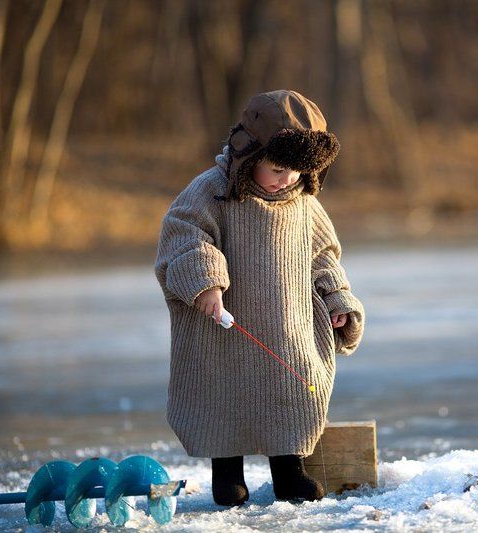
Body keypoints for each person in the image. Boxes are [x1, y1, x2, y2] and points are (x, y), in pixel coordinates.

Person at [154, 89, 365, 505]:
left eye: (297, 172)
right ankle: (227, 473)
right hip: (224, 327)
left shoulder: (304, 203)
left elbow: (323, 257)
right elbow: (184, 236)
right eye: (277, 168)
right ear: (249, 155)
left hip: (288, 326)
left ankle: (289, 472)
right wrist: (206, 283)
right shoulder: (213, 191)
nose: (286, 179)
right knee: (223, 395)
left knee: (289, 395)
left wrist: (338, 300)